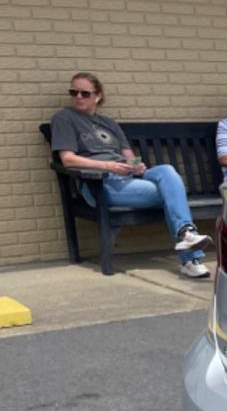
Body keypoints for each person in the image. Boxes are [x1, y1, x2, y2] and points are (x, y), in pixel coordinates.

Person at [50, 72, 212, 279]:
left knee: (167, 171)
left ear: (98, 96)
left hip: (127, 179)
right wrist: (107, 166)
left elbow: (129, 157)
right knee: (171, 192)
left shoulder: (108, 123)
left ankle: (186, 234)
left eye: (85, 93)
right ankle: (190, 257)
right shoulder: (64, 118)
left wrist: (136, 166)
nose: (78, 97)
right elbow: (68, 159)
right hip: (99, 185)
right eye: (74, 92)